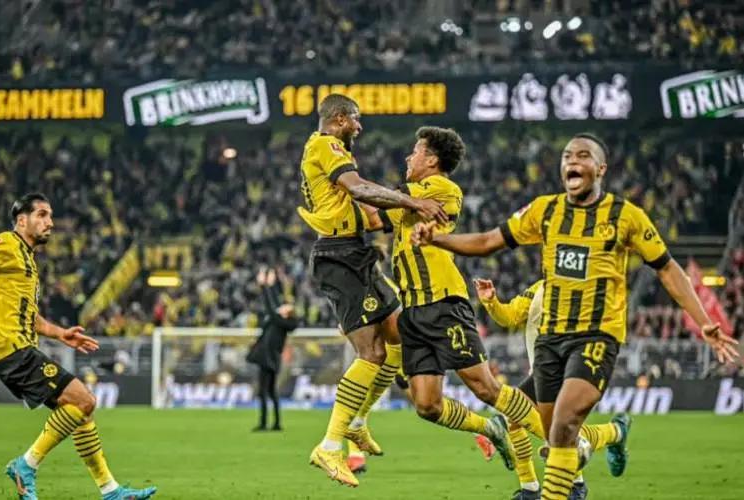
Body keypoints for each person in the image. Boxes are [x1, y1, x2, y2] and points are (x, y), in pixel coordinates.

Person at [413, 133, 739, 500]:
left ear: (600, 169)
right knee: (557, 439)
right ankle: (609, 439)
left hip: (596, 336)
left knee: (565, 421)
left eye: (583, 155)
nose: (572, 160)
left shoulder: (625, 216)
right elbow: (489, 241)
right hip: (550, 341)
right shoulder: (545, 211)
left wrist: (703, 321)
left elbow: (667, 268)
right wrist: (436, 239)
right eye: (567, 155)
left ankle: (542, 489)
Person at [0, 193, 156, 500]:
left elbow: (30, 317)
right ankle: (26, 465)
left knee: (81, 412)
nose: (50, 222)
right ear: (22, 221)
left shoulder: (28, 261)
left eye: (50, 216)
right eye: (42, 215)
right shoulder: (7, 243)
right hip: (10, 348)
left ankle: (110, 490)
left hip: (19, 346)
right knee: (85, 400)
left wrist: (61, 334)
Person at [368, 126, 553, 471]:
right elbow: (371, 216)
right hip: (413, 310)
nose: (408, 157)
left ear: (432, 160)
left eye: (415, 151)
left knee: (486, 388)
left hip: (443, 303)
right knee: (426, 405)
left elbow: (378, 198)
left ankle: (567, 443)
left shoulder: (442, 188)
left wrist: (344, 177)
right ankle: (490, 428)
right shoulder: (407, 201)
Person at [299, 93, 448, 487]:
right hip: (339, 256)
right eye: (356, 119)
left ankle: (359, 420)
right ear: (340, 118)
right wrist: (410, 200)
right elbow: (360, 189)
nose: (359, 127)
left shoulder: (329, 152)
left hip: (355, 252)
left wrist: (407, 217)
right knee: (373, 352)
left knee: (400, 332)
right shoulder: (326, 145)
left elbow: (365, 209)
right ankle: (330, 446)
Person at [477, 278, 629, 500]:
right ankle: (616, 432)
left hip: (567, 369)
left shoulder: (585, 287)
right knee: (527, 421)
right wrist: (492, 302)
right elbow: (510, 316)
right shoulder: (538, 288)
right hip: (542, 369)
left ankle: (563, 485)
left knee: (550, 426)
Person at [247, 268, 298, 431]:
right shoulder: (277, 321)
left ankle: (266, 423)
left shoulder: (280, 322)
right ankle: (275, 423)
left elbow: (270, 306)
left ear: (287, 314)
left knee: (265, 392)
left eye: (285, 307)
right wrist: (271, 284)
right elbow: (274, 304)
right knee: (269, 392)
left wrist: (264, 286)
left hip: (269, 359)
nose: (282, 307)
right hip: (269, 358)